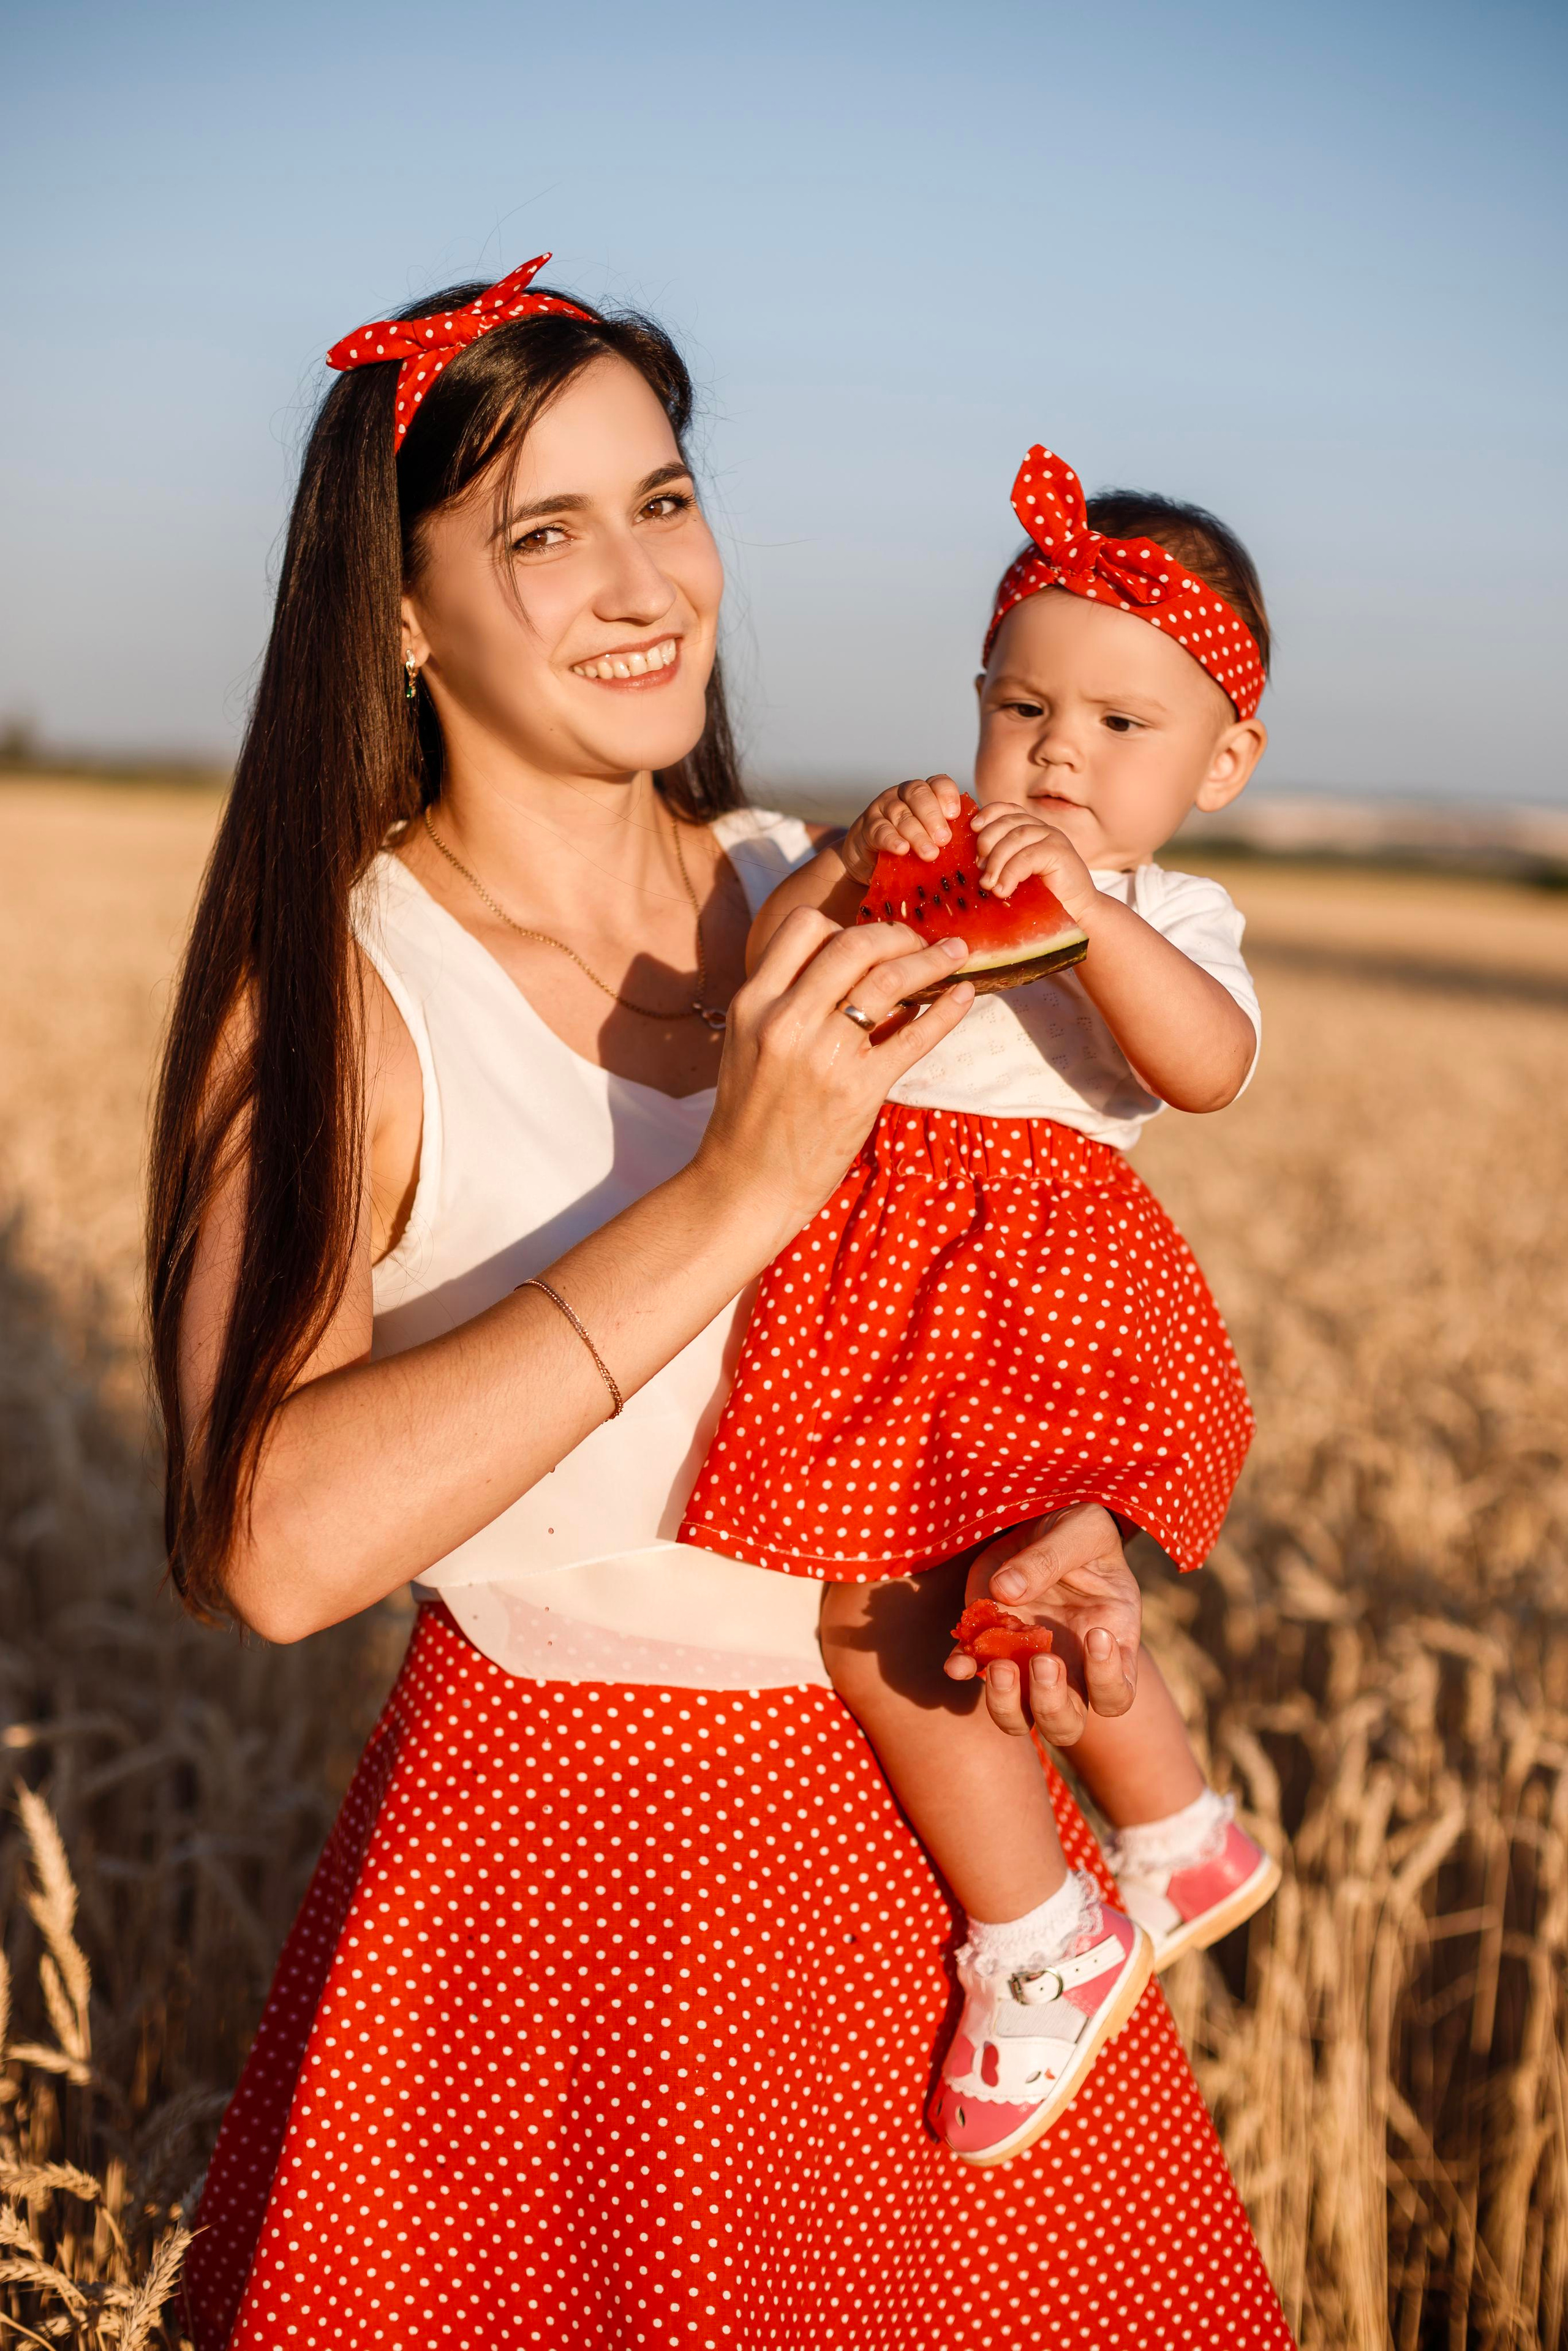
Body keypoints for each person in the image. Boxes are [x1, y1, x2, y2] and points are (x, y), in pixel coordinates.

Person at [149, 261, 1294, 2347]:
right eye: (546, 531)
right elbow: (271, 1549)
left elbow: (1020, 1281)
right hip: (566, 1902)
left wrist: (1067, 1531)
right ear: (397, 615)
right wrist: (737, 1192)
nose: (642, 582)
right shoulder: (349, 993)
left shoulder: (835, 888)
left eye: (664, 500)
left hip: (960, 1908)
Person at [680, 441, 1282, 2164]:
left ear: (1223, 763)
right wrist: (847, 870)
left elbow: (1209, 1064)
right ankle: (1180, 1836)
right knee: (1022, 1600)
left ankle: (1040, 1937)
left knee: (886, 1622)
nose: (1057, 755)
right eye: (1024, 709)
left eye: (1120, 723)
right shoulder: (918, 860)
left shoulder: (1169, 908)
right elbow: (766, 977)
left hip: (1044, 1291)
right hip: (893, 1289)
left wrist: (1084, 917)